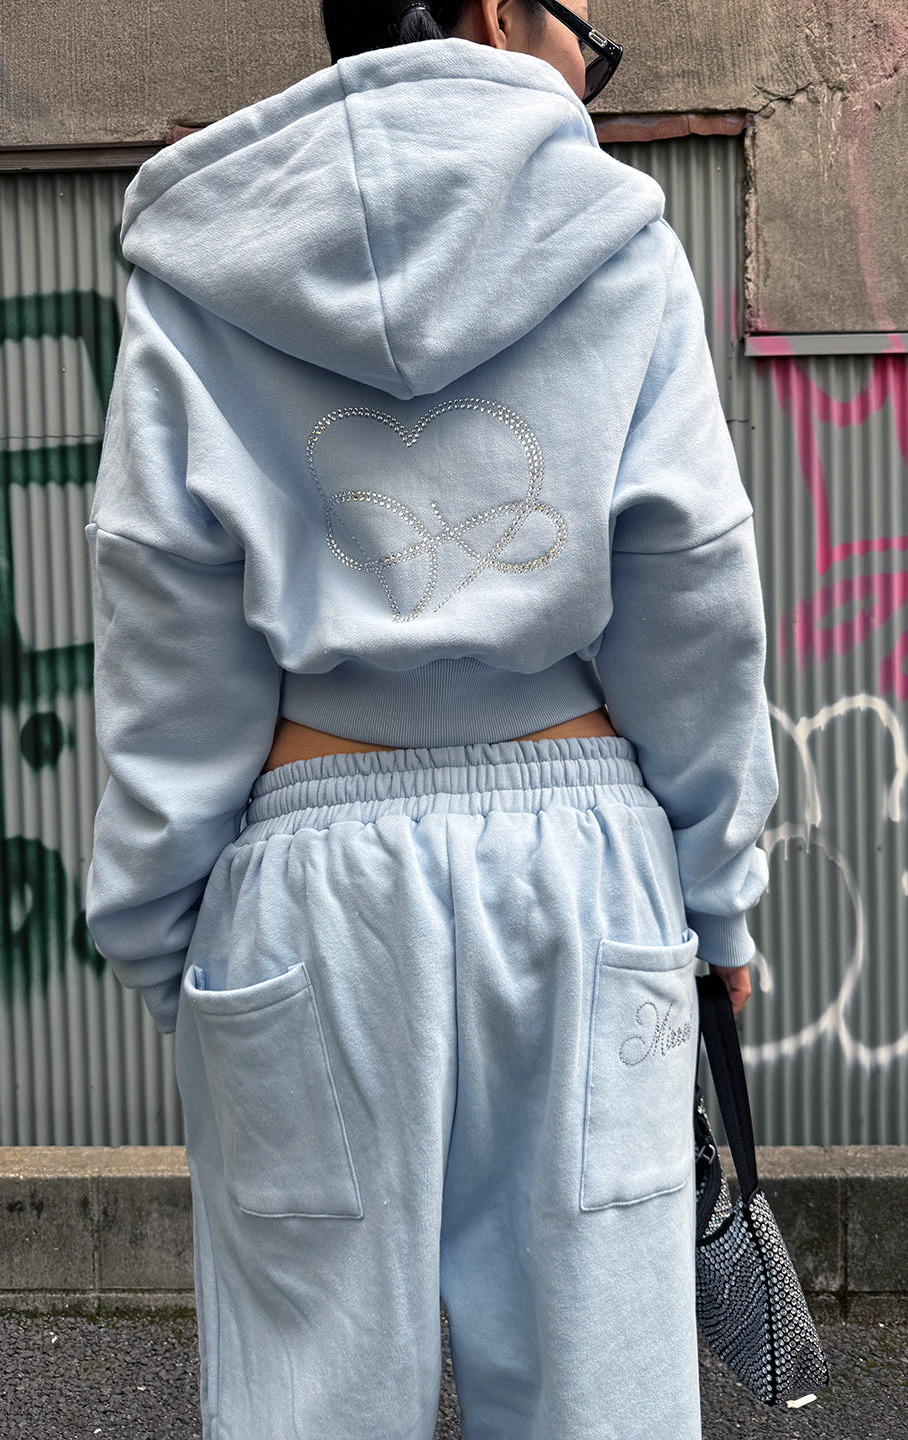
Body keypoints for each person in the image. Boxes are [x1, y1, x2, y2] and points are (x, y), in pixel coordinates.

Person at [84, 0, 779, 1434]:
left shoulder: (205, 260)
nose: (590, 58)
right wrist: (716, 891)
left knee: (308, 1401)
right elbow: (690, 596)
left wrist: (165, 936)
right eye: (585, 24)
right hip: (580, 877)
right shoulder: (615, 238)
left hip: (309, 884)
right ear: (498, 9)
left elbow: (167, 628)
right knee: (603, 1396)